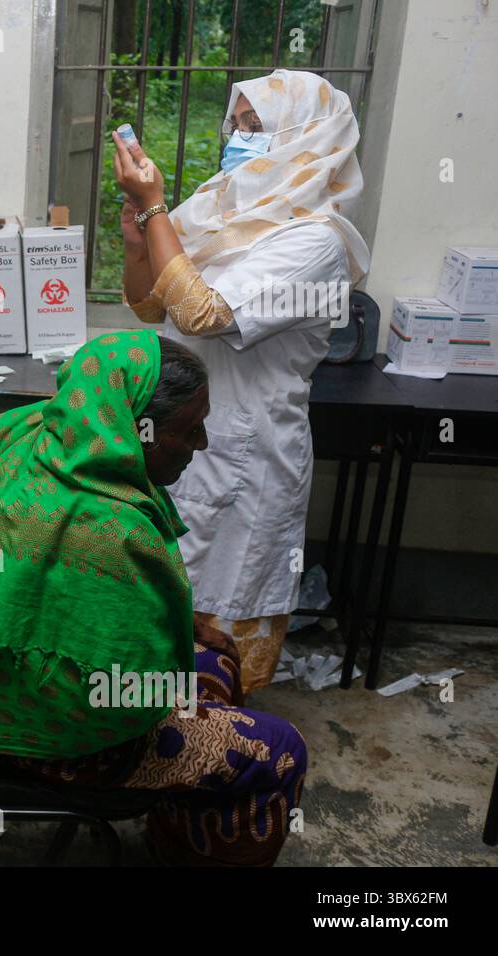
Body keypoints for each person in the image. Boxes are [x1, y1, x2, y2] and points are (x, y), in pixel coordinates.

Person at [0, 331, 307, 866]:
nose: (203, 445)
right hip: (28, 736)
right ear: (137, 429)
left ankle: (177, 833)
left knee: (217, 663)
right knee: (279, 750)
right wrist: (183, 682)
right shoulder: (109, 526)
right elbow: (133, 699)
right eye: (189, 431)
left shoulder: (21, 433)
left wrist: (187, 635)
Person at [112, 69, 371, 692]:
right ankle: (150, 741)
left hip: (245, 452)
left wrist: (154, 209)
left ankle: (211, 744)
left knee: (223, 605)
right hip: (184, 436)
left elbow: (204, 312)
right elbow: (152, 306)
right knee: (161, 602)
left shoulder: (317, 242)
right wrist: (137, 242)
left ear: (308, 139)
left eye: (259, 128)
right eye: (239, 123)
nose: (240, 136)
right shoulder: (227, 212)